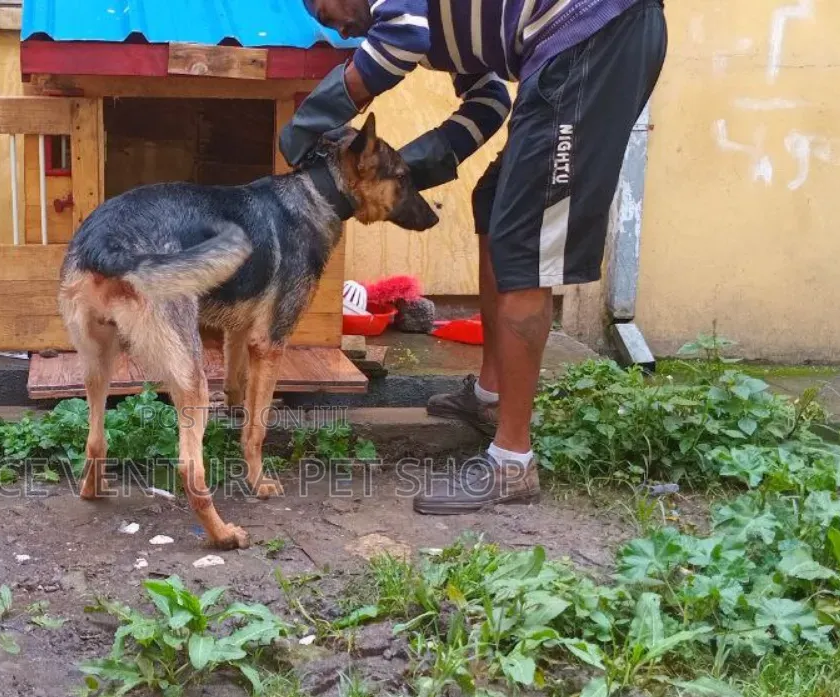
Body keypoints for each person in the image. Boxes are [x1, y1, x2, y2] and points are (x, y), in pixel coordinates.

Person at [280, 0, 667, 514]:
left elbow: (400, 36)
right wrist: (408, 168)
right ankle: (490, 397)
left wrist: (311, 119)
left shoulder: (401, 19)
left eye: (329, 16)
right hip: (570, 45)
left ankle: (512, 462)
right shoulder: (439, 28)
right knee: (494, 201)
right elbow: (487, 103)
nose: (343, 30)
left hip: (592, 34)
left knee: (526, 242)